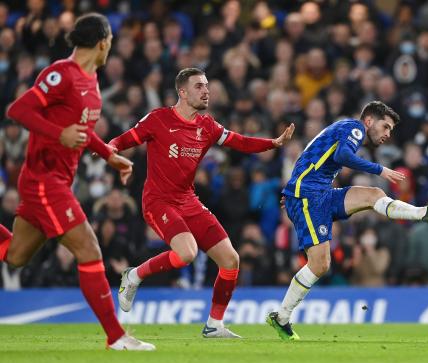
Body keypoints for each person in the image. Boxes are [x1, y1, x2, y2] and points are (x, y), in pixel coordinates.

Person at [0, 13, 154, 351]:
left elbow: (80, 131)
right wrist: (59, 133)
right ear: (102, 42)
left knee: (15, 256)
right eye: (110, 42)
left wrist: (108, 154)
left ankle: (117, 336)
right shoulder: (61, 74)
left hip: (57, 179)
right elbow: (18, 110)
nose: (110, 48)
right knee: (89, 249)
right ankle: (116, 337)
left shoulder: (92, 79)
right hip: (44, 180)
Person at [109, 67, 295, 339]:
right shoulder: (158, 119)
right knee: (186, 253)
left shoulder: (206, 126)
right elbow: (121, 141)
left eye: (206, 86)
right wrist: (109, 152)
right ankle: (134, 276)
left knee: (231, 260)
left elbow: (239, 142)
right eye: (199, 86)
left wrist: (274, 143)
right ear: (182, 92)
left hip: (188, 200)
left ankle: (214, 325)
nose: (206, 91)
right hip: (159, 201)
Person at [267, 101, 428, 340]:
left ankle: (425, 214)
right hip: (309, 195)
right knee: (320, 264)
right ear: (369, 121)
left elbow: (311, 156)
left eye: (390, 131)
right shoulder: (354, 127)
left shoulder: (344, 129)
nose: (387, 134)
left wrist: (293, 189)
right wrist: (379, 169)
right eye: (385, 127)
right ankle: (281, 318)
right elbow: (342, 155)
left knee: (373, 195)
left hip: (317, 193)